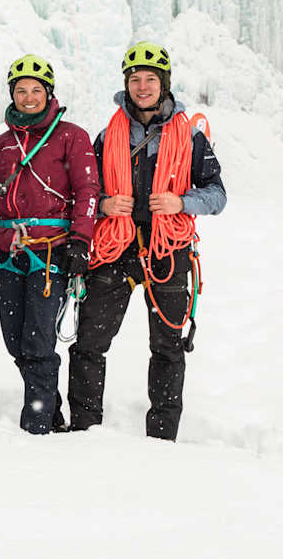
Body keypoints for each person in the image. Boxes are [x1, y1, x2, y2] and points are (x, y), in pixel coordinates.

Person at [68, 42, 226, 441]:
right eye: (135, 80)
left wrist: (181, 202)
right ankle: (85, 430)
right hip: (115, 250)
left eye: (150, 80)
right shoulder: (107, 136)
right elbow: (86, 191)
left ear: (164, 84)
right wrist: (104, 204)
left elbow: (217, 194)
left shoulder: (190, 137)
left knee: (168, 347)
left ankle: (162, 437)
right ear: (127, 84)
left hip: (168, 251)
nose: (142, 87)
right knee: (89, 343)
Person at [0, 55, 98, 434]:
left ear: (49, 93)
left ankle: (37, 424)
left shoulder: (71, 136)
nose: (27, 97)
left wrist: (80, 241)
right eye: (21, 90)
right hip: (8, 252)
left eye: (35, 90)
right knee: (15, 341)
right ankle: (50, 406)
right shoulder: (3, 145)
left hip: (52, 250)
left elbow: (88, 190)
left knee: (38, 341)